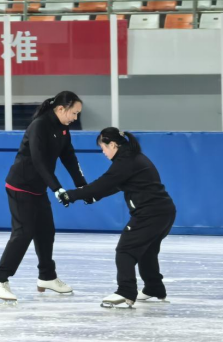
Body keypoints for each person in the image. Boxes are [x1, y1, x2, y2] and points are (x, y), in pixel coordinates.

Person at [0, 91, 91, 303]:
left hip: (37, 188)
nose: (75, 118)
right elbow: (39, 161)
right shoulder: (39, 126)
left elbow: (69, 158)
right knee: (23, 233)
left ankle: (47, 277)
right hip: (20, 186)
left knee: (45, 231)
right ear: (61, 108)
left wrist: (83, 187)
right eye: (74, 113)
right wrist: (57, 189)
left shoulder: (62, 129)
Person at [58, 127, 176, 308]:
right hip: (163, 212)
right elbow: (116, 185)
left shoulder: (126, 161)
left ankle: (126, 291)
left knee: (125, 250)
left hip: (149, 214)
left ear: (112, 144)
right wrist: (94, 196)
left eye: (103, 148)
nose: (103, 152)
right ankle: (154, 288)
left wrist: (71, 195)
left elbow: (104, 183)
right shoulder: (132, 158)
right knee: (146, 251)